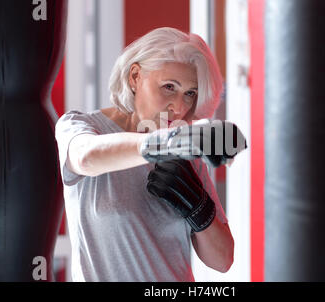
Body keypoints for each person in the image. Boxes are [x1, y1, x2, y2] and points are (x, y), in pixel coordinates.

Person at [55, 27, 235, 282]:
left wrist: (198, 208)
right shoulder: (82, 126)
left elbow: (223, 260)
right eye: (169, 87)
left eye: (190, 93)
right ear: (135, 77)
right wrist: (161, 145)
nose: (180, 106)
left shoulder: (184, 152)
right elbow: (85, 157)